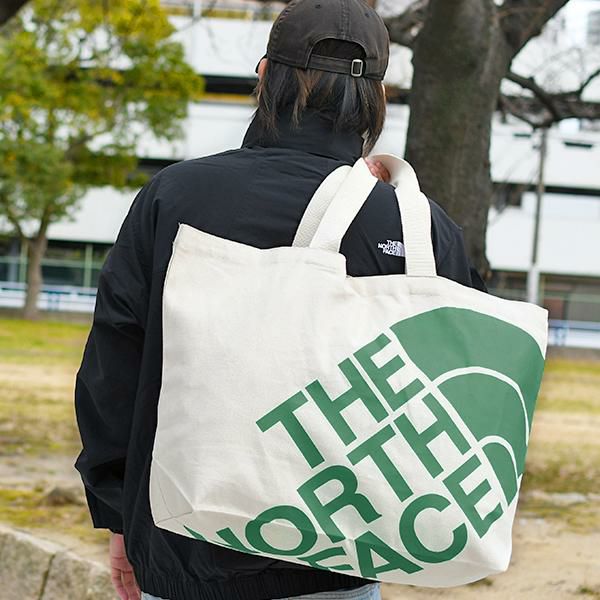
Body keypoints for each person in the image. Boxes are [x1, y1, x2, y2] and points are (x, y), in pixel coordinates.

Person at [74, 1, 486, 599]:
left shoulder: (176, 197)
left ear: (266, 75)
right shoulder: (421, 227)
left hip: (186, 548)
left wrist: (118, 515)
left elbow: (115, 368)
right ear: (378, 97)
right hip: (340, 552)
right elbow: (460, 390)